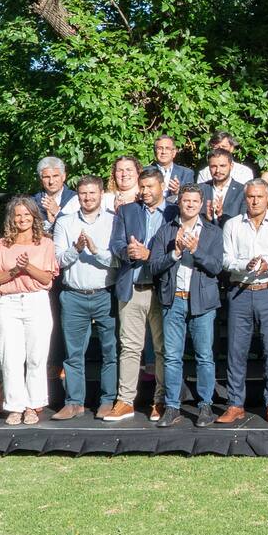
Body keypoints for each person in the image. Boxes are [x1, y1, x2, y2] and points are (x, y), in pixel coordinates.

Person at [147, 184, 223, 428]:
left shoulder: (212, 232)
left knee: (204, 356)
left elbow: (216, 267)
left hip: (202, 302)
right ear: (179, 202)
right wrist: (176, 253)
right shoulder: (165, 231)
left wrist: (195, 250)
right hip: (174, 300)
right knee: (172, 357)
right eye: (185, 201)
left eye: (194, 201)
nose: (190, 205)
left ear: (201, 205)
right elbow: (154, 267)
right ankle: (172, 406)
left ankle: (204, 406)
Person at [104, 168, 175, 422]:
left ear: (161, 186)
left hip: (161, 289)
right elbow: (115, 244)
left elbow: (174, 250)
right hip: (132, 288)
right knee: (130, 348)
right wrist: (129, 252)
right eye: (141, 187)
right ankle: (125, 401)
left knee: (162, 349)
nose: (144, 192)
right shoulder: (127, 211)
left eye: (150, 187)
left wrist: (150, 256)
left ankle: (160, 400)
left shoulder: (174, 212)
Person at [219, 179, 268, 425]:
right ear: (245, 198)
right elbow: (226, 260)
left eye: (259, 196)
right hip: (240, 291)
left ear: (267, 197)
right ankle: (235, 404)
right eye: (250, 196)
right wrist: (244, 265)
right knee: (236, 351)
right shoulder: (232, 225)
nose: (255, 201)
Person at [52, 175, 117, 421]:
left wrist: (96, 251)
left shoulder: (113, 221)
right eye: (83, 194)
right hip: (73, 296)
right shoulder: (65, 223)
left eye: (92, 193)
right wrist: (76, 250)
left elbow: (118, 260)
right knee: (73, 353)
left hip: (105, 295)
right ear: (77, 195)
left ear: (101, 194)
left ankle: (107, 400)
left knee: (109, 352)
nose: (88, 198)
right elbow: (57, 261)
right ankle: (74, 402)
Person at [0, 196, 59, 425]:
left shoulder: (45, 243)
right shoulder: (3, 244)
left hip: (36, 301)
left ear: (34, 217)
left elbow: (48, 278)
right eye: (18, 214)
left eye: (26, 214)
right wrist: (15, 270)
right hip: (9, 303)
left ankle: (33, 405)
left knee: (37, 358)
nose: (22, 219)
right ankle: (15, 406)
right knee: (10, 358)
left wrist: (27, 267)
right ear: (12, 218)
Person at [200, 148, 247, 226]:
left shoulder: (242, 191)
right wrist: (207, 219)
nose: (218, 170)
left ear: (231, 166)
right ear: (209, 168)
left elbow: (243, 223)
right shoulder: (200, 189)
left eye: (222, 166)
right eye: (213, 166)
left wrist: (222, 216)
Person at [33, 156, 78, 231]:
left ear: (63, 177)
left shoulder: (75, 199)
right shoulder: (33, 202)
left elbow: (77, 227)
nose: (51, 181)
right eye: (47, 177)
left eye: (55, 176)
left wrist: (57, 212)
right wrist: (49, 223)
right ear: (41, 180)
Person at [152, 135, 195, 201]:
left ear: (174, 153)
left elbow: (190, 200)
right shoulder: (144, 171)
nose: (163, 152)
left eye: (167, 148)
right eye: (160, 148)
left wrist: (177, 192)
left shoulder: (186, 173)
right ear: (155, 152)